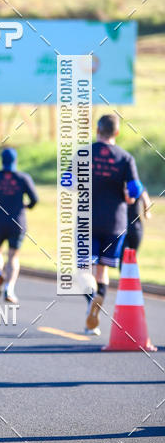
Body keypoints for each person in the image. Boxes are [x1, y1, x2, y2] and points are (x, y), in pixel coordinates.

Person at [86, 113, 142, 335]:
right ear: (117, 132)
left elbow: (67, 182)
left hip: (87, 220)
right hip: (116, 223)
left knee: (86, 268)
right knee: (103, 269)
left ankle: (91, 301)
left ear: (97, 130)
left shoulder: (85, 153)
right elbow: (133, 192)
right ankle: (98, 299)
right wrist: (129, 197)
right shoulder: (126, 158)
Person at [0, 147, 38, 304]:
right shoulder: (23, 178)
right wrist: (27, 206)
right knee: (13, 256)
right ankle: (9, 288)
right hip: (17, 222)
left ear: (2, 161)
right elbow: (35, 199)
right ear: (15, 161)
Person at [120, 182, 152, 266]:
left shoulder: (119, 184)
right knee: (132, 256)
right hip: (136, 228)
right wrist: (147, 213)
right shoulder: (138, 185)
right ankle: (129, 276)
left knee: (123, 257)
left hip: (121, 226)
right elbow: (146, 200)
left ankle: (125, 276)